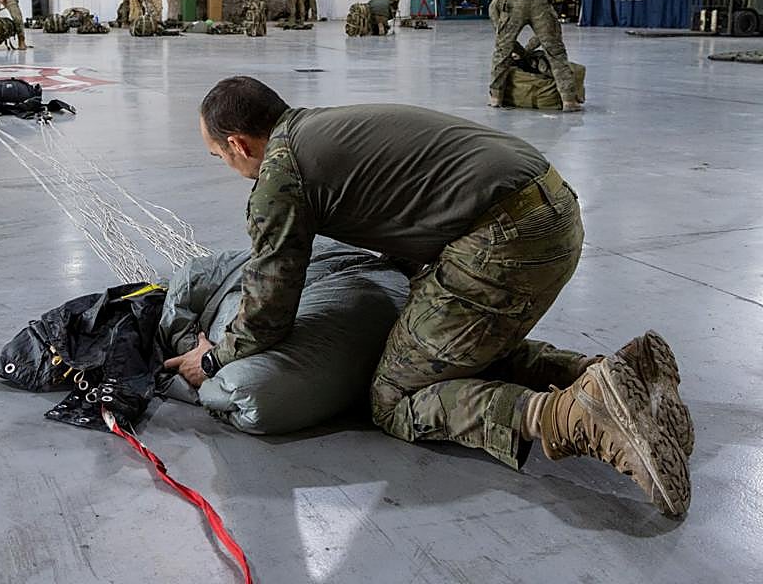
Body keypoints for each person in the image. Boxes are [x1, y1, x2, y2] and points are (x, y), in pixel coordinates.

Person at [167, 77, 694, 517]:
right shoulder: (322, 127)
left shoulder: (281, 176)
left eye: (220, 156)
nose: (228, 167)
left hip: (505, 240)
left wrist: (213, 357)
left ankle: (570, 415)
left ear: (239, 144)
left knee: (395, 400)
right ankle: (615, 377)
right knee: (450, 350)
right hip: (552, 204)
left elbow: (270, 303)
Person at [490, 0, 582, 112]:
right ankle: (569, 101)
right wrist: (528, 50)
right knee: (555, 52)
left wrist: (523, 54)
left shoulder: (494, 7)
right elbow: (545, 37)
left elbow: (503, 41)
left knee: (502, 52)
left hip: (515, 1)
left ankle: (495, 98)